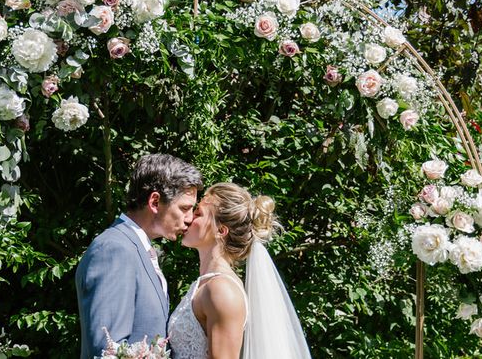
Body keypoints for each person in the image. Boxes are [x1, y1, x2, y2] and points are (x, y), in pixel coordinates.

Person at [76, 153, 202, 359]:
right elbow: (108, 349)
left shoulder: (136, 248)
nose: (190, 219)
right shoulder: (115, 250)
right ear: (154, 202)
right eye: (184, 208)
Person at [167, 183, 312, 359]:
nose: (189, 218)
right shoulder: (205, 284)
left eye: (198, 214)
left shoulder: (221, 290)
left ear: (221, 230)